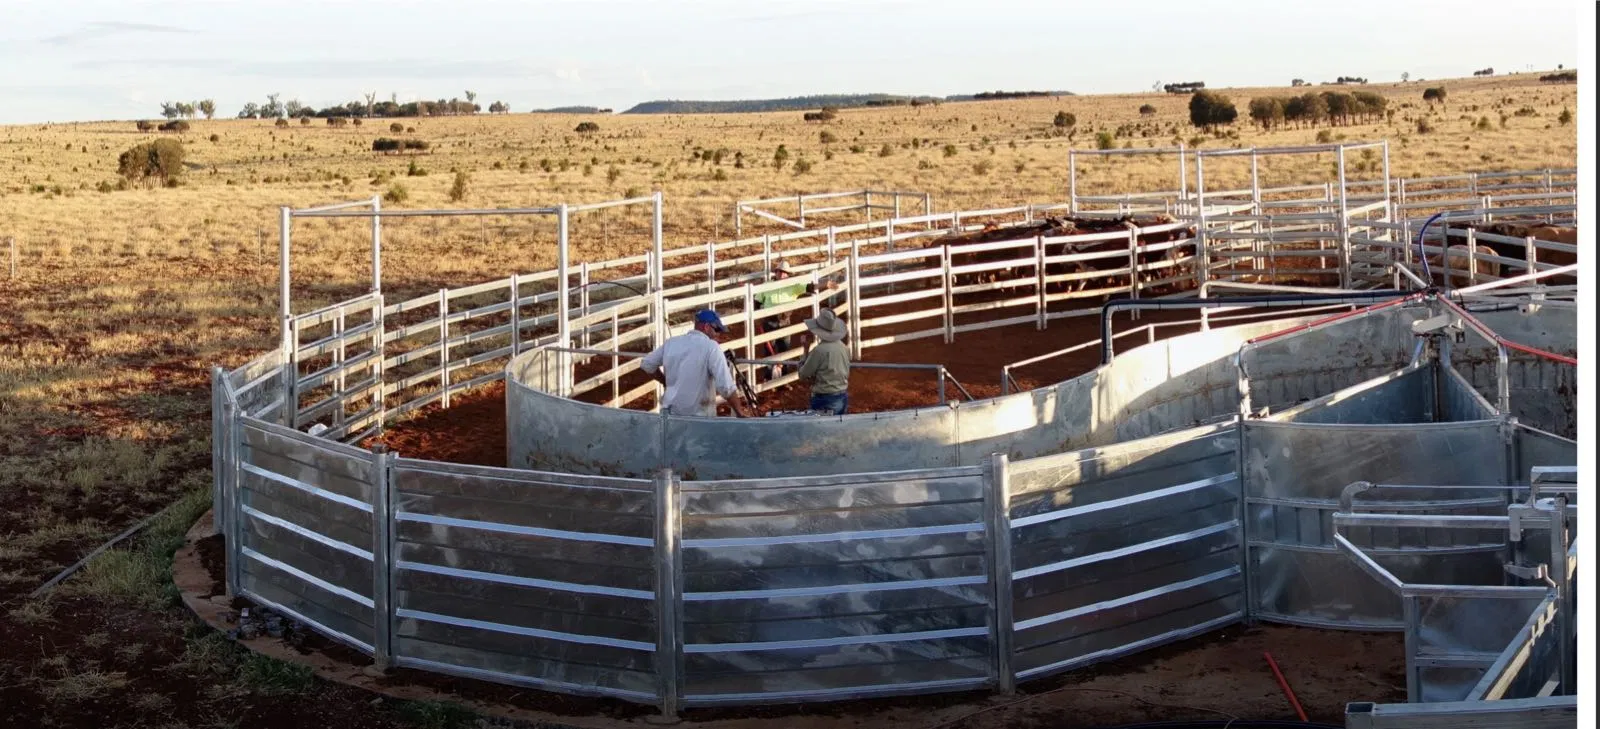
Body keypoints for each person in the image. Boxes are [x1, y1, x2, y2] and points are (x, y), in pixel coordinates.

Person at [640, 309, 752, 417]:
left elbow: (647, 365)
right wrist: (739, 412)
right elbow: (726, 387)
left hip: (671, 416)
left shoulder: (671, 343)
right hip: (699, 419)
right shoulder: (711, 347)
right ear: (706, 327)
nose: (718, 335)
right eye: (717, 329)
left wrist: (664, 381)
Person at [753, 260, 809, 377]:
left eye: (784, 272)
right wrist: (757, 315)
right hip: (769, 322)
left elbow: (808, 287)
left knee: (784, 349)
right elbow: (757, 301)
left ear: (787, 274)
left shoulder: (793, 286)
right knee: (769, 350)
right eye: (780, 272)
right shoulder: (767, 285)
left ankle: (783, 376)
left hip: (784, 322)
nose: (782, 274)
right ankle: (769, 377)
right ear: (776, 272)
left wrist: (824, 284)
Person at [796, 308, 851, 415]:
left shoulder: (819, 351)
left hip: (825, 398)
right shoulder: (844, 348)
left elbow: (802, 374)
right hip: (841, 395)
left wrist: (805, 350)